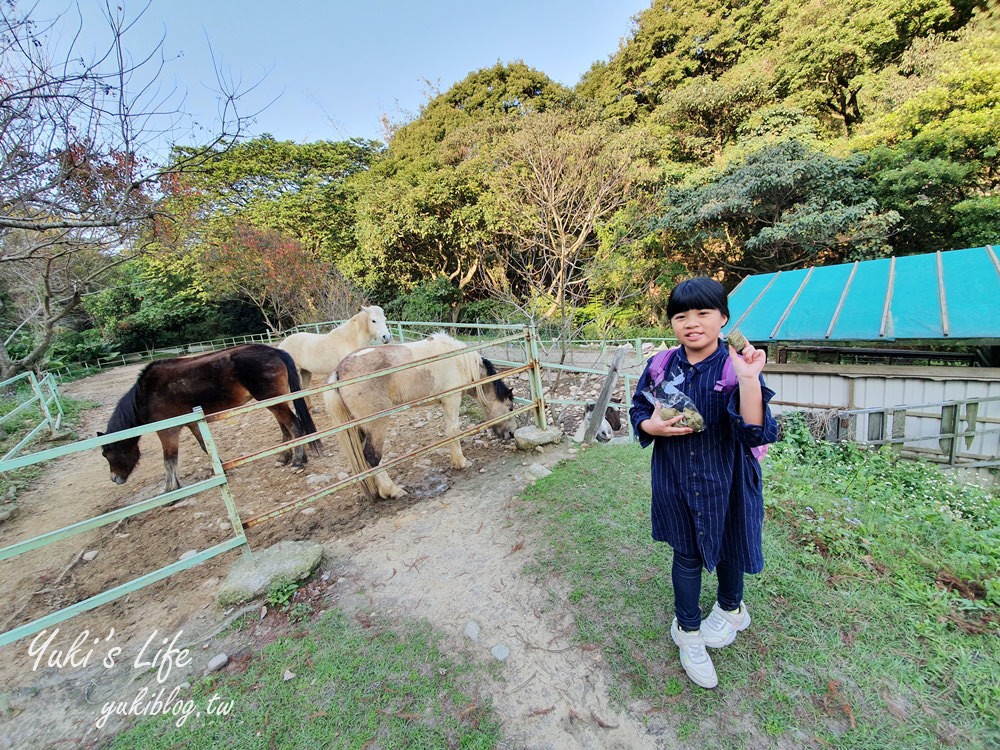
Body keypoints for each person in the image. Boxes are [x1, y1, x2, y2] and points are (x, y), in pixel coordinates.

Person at [628, 277, 779, 689]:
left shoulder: (737, 365)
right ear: (672, 323)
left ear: (723, 319)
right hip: (675, 478)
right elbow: (639, 408)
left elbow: (754, 433)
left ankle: (732, 608)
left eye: (702, 313)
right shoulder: (660, 365)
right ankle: (688, 632)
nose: (691, 323)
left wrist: (749, 380)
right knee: (687, 555)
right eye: (680, 315)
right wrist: (651, 425)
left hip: (727, 477)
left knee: (731, 546)